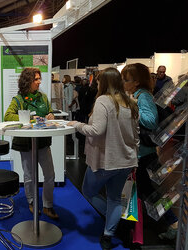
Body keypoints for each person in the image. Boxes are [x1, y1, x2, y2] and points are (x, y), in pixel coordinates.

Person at [68, 68, 139, 250]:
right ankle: (110, 232)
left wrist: (77, 124)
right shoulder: (130, 102)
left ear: (104, 82)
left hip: (106, 161)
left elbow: (96, 130)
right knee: (114, 198)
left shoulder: (103, 101)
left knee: (89, 192)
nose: (96, 84)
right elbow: (136, 135)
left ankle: (113, 222)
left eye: (98, 81)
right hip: (126, 160)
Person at [121, 63, 179, 241]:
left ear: (136, 82)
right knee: (145, 191)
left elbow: (151, 121)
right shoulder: (138, 95)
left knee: (149, 192)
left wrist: (133, 107)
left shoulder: (142, 96)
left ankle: (173, 223)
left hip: (144, 155)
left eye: (126, 79)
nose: (123, 82)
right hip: (140, 153)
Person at [4, 67, 59, 220]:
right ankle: (32, 202)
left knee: (50, 175)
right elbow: (8, 116)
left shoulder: (43, 97)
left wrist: (51, 115)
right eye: (36, 79)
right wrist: (27, 118)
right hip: (25, 143)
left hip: (43, 141)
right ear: (27, 81)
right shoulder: (19, 99)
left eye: (39, 78)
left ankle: (48, 205)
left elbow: (50, 112)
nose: (39, 82)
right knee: (29, 176)